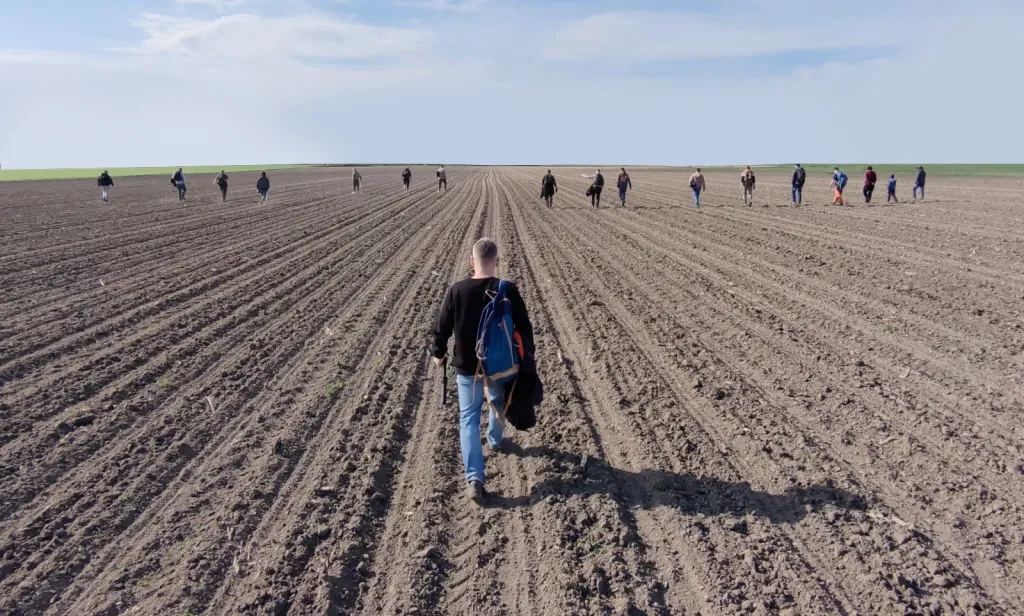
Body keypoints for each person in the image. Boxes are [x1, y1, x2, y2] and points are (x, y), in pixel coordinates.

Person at [431, 238, 535, 504]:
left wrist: (438, 353)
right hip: (500, 366)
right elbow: (525, 328)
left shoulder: (457, 290)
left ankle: (474, 479)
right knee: (497, 403)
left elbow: (442, 328)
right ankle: (495, 440)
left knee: (468, 418)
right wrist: (527, 361)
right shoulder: (507, 289)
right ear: (496, 261)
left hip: (466, 367)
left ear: (471, 261)